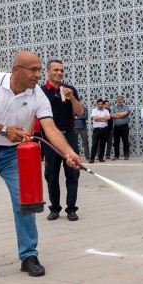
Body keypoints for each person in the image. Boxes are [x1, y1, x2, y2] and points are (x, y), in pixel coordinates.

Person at [0, 51, 82, 276]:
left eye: (40, 69)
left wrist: (69, 152)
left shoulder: (37, 93)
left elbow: (50, 128)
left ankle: (29, 255)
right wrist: (2, 129)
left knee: (25, 202)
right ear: (17, 69)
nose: (38, 75)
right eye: (34, 70)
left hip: (13, 154)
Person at [41, 59, 85, 220]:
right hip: (49, 137)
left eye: (61, 70)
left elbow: (80, 112)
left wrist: (72, 98)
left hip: (69, 135)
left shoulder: (69, 89)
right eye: (56, 70)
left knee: (73, 170)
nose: (59, 73)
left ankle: (71, 209)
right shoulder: (40, 91)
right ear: (47, 72)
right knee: (51, 173)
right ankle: (54, 208)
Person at [89, 98, 111, 163]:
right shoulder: (94, 110)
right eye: (99, 104)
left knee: (102, 144)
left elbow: (108, 118)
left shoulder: (106, 111)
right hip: (96, 129)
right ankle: (92, 158)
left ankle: (101, 158)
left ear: (103, 104)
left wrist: (99, 118)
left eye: (101, 104)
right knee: (94, 144)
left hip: (104, 129)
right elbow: (94, 118)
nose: (100, 105)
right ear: (97, 104)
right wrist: (103, 119)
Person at [110, 95, 131, 160]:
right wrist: (121, 114)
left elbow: (125, 114)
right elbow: (112, 115)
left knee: (125, 141)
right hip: (116, 127)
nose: (119, 101)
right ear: (117, 100)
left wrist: (117, 114)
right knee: (116, 141)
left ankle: (126, 155)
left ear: (122, 100)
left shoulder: (126, 107)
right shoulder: (114, 107)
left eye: (120, 99)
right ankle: (116, 156)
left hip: (124, 127)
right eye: (118, 100)